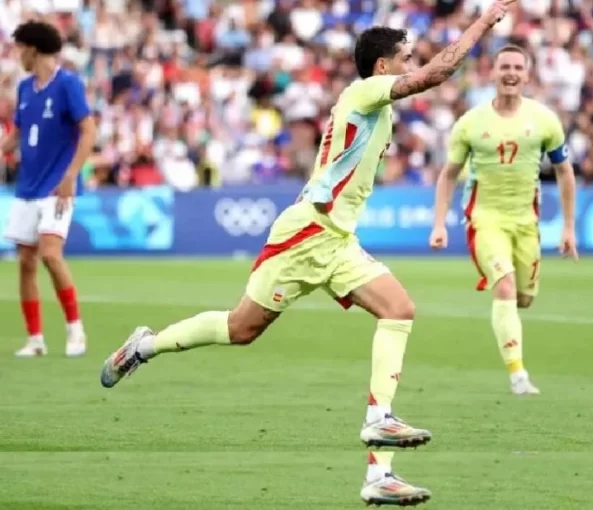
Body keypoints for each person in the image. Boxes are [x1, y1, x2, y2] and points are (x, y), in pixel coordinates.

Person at [100, 1, 517, 506]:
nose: (413, 62)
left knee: (400, 309)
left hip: (338, 242)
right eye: (405, 56)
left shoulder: (379, 108)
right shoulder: (364, 92)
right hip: (306, 233)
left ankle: (378, 466)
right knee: (241, 330)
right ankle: (144, 345)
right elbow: (438, 72)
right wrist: (482, 21)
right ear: (382, 65)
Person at [429, 45, 578, 395]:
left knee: (523, 298)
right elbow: (448, 174)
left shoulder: (544, 120)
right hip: (485, 219)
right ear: (492, 73)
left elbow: (565, 172)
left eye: (517, 67)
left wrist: (569, 228)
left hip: (526, 222)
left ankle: (511, 338)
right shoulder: (470, 123)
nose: (511, 73)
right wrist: (439, 223)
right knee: (505, 285)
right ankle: (518, 375)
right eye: (504, 67)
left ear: (527, 74)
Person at [1, 20, 95, 358]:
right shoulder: (25, 89)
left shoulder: (68, 84)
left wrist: (72, 174)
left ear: (33, 48)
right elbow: (17, 136)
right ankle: (36, 340)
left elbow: (88, 131)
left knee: (51, 256)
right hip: (27, 187)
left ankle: (75, 330)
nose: (16, 55)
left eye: (19, 48)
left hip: (57, 187)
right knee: (25, 262)